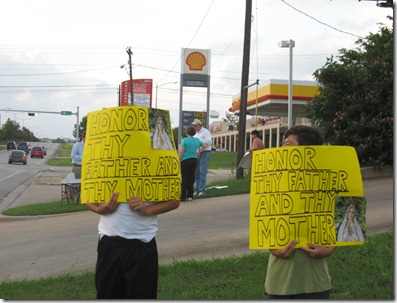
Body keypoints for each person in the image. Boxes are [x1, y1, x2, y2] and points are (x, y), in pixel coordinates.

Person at [264, 125, 337, 300]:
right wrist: (275, 250)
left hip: (316, 281)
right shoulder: (274, 183)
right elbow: (265, 226)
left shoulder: (327, 185)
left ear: (307, 151)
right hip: (280, 281)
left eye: (288, 144)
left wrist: (327, 250)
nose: (282, 148)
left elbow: (338, 226)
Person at [87, 194, 180, 299]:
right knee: (107, 295)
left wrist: (147, 210)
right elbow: (87, 195)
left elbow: (174, 201)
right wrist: (100, 209)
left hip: (142, 241)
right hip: (109, 241)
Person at [179, 126, 207, 202]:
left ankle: (183, 197)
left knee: (184, 178)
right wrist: (198, 152)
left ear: (186, 132)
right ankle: (190, 196)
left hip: (185, 160)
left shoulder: (185, 140)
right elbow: (205, 146)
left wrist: (178, 159)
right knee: (191, 178)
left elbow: (182, 151)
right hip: (194, 159)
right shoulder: (197, 140)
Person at [191, 119, 212, 196]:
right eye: (193, 126)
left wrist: (201, 143)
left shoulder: (205, 132)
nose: (194, 127)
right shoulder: (195, 134)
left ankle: (201, 190)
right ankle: (197, 189)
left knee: (202, 171)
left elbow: (210, 141)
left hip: (205, 153)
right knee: (196, 172)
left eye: (195, 125)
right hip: (197, 154)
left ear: (200, 125)